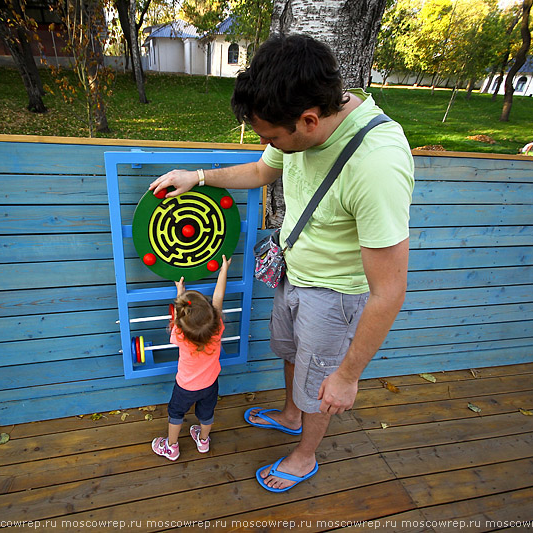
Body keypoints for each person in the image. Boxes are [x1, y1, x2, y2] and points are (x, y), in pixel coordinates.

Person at [149, 34, 414, 491]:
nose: (268, 145)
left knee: (320, 380)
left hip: (333, 296)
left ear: (308, 121)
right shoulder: (301, 115)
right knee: (291, 354)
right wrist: (199, 178)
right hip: (293, 273)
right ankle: (292, 415)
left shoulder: (377, 165)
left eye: (272, 137)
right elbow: (260, 171)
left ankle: (304, 455)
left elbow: (389, 291)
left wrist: (348, 376)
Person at [151, 256, 231, 461]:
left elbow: (179, 317)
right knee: (206, 414)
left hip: (185, 386)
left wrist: (180, 289)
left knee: (176, 413)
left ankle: (171, 446)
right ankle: (203, 441)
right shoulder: (216, 329)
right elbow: (218, 298)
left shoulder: (180, 334)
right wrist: (223, 270)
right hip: (210, 384)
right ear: (212, 315)